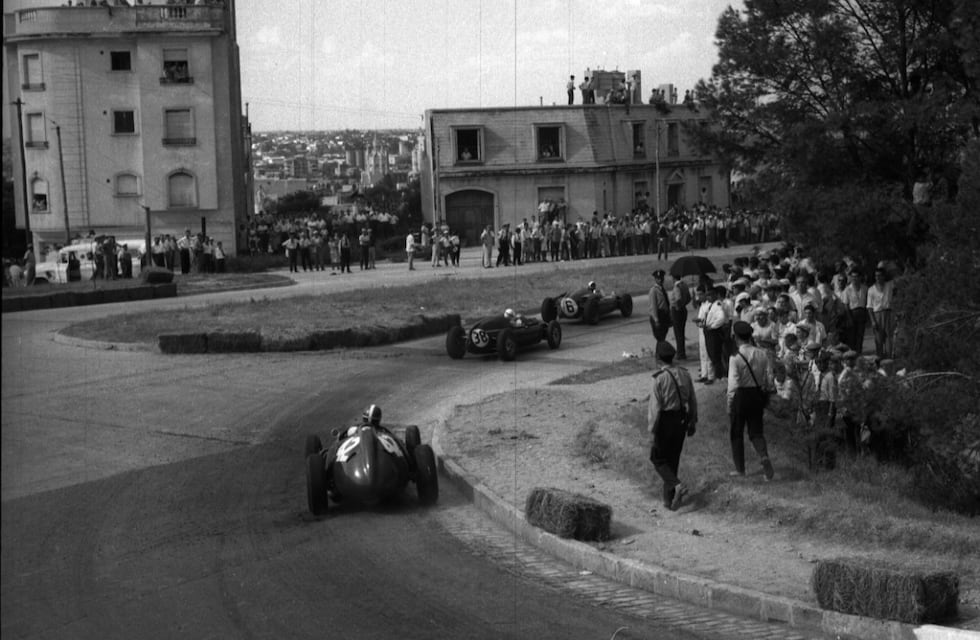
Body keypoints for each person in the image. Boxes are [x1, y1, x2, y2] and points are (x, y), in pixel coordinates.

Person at [647, 341, 698, 511]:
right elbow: (692, 399)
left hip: (665, 421)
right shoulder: (684, 374)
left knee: (657, 457)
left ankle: (676, 485)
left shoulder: (659, 379)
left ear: (658, 358)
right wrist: (692, 421)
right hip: (681, 418)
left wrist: (652, 430)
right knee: (673, 459)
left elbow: (655, 409)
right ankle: (668, 500)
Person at [727, 320, 776, 480]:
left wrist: (729, 404)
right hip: (757, 394)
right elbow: (769, 377)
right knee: (756, 432)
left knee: (737, 433)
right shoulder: (762, 353)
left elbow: (733, 384)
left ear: (736, 337)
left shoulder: (735, 357)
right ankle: (763, 455)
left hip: (741, 395)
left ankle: (740, 469)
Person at [867, 267, 896, 359]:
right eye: (876, 276)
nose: (878, 278)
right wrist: (873, 321)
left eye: (880, 276)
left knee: (889, 338)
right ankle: (879, 360)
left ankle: (889, 359)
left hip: (888, 313)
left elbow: (897, 276)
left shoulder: (890, 285)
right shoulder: (871, 290)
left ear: (884, 276)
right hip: (877, 314)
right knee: (879, 339)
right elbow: (869, 307)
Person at [668, 276, 692, 359]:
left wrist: (678, 307)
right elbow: (689, 298)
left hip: (677, 311)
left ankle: (680, 353)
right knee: (681, 332)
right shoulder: (684, 285)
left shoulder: (677, 287)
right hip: (683, 309)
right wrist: (683, 304)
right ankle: (682, 352)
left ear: (674, 278)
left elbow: (678, 298)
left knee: (678, 333)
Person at [648, 270, 671, 346]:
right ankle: (659, 352)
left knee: (663, 336)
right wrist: (656, 320)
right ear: (655, 279)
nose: (660, 280)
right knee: (660, 338)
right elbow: (653, 306)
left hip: (664, 316)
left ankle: (661, 351)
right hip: (658, 316)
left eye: (661, 278)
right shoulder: (653, 290)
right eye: (658, 278)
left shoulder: (662, 289)